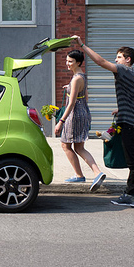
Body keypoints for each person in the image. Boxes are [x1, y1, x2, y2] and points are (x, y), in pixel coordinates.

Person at [71, 35, 134, 207]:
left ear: (128, 59)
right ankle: (130, 194)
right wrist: (122, 108)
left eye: (118, 57)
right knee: (133, 160)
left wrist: (82, 44)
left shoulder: (123, 70)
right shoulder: (133, 76)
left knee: (133, 161)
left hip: (131, 124)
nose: (115, 60)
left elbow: (101, 62)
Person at [55, 50, 106, 192]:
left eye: (70, 61)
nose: (67, 63)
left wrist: (61, 121)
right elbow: (84, 95)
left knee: (66, 146)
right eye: (66, 60)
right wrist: (70, 88)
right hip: (83, 112)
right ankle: (93, 173)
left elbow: (71, 104)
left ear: (78, 62)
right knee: (78, 147)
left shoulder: (76, 78)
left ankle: (85, 174)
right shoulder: (82, 76)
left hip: (75, 114)